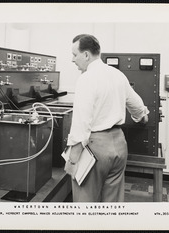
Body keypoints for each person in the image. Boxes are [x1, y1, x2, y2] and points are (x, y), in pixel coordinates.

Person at [64, 34, 149, 202]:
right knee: (112, 205)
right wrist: (142, 118)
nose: (72, 60)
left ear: (86, 55)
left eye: (75, 55)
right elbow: (138, 107)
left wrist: (72, 161)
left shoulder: (86, 79)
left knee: (85, 205)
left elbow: (81, 125)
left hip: (96, 149)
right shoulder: (118, 75)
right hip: (119, 145)